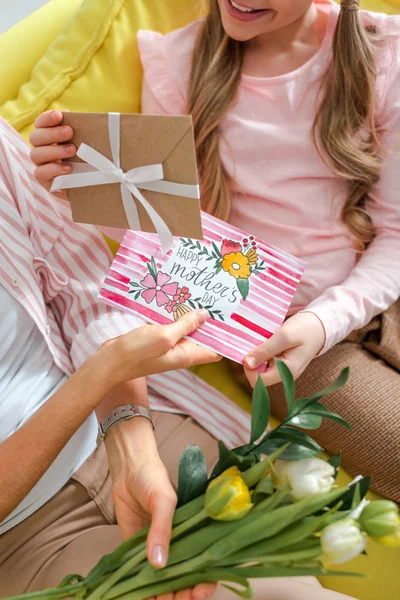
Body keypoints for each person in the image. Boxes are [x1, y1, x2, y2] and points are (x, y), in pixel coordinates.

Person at [11, 0, 399, 596]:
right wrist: (76, 190)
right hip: (285, 340)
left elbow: (395, 234)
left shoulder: (385, 52)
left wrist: (327, 319)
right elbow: (173, 251)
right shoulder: (176, 67)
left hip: (368, 292)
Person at [0, 118, 353, 600]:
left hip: (136, 419)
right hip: (27, 539)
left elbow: (84, 294)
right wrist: (104, 370)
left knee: (298, 586)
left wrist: (131, 443)